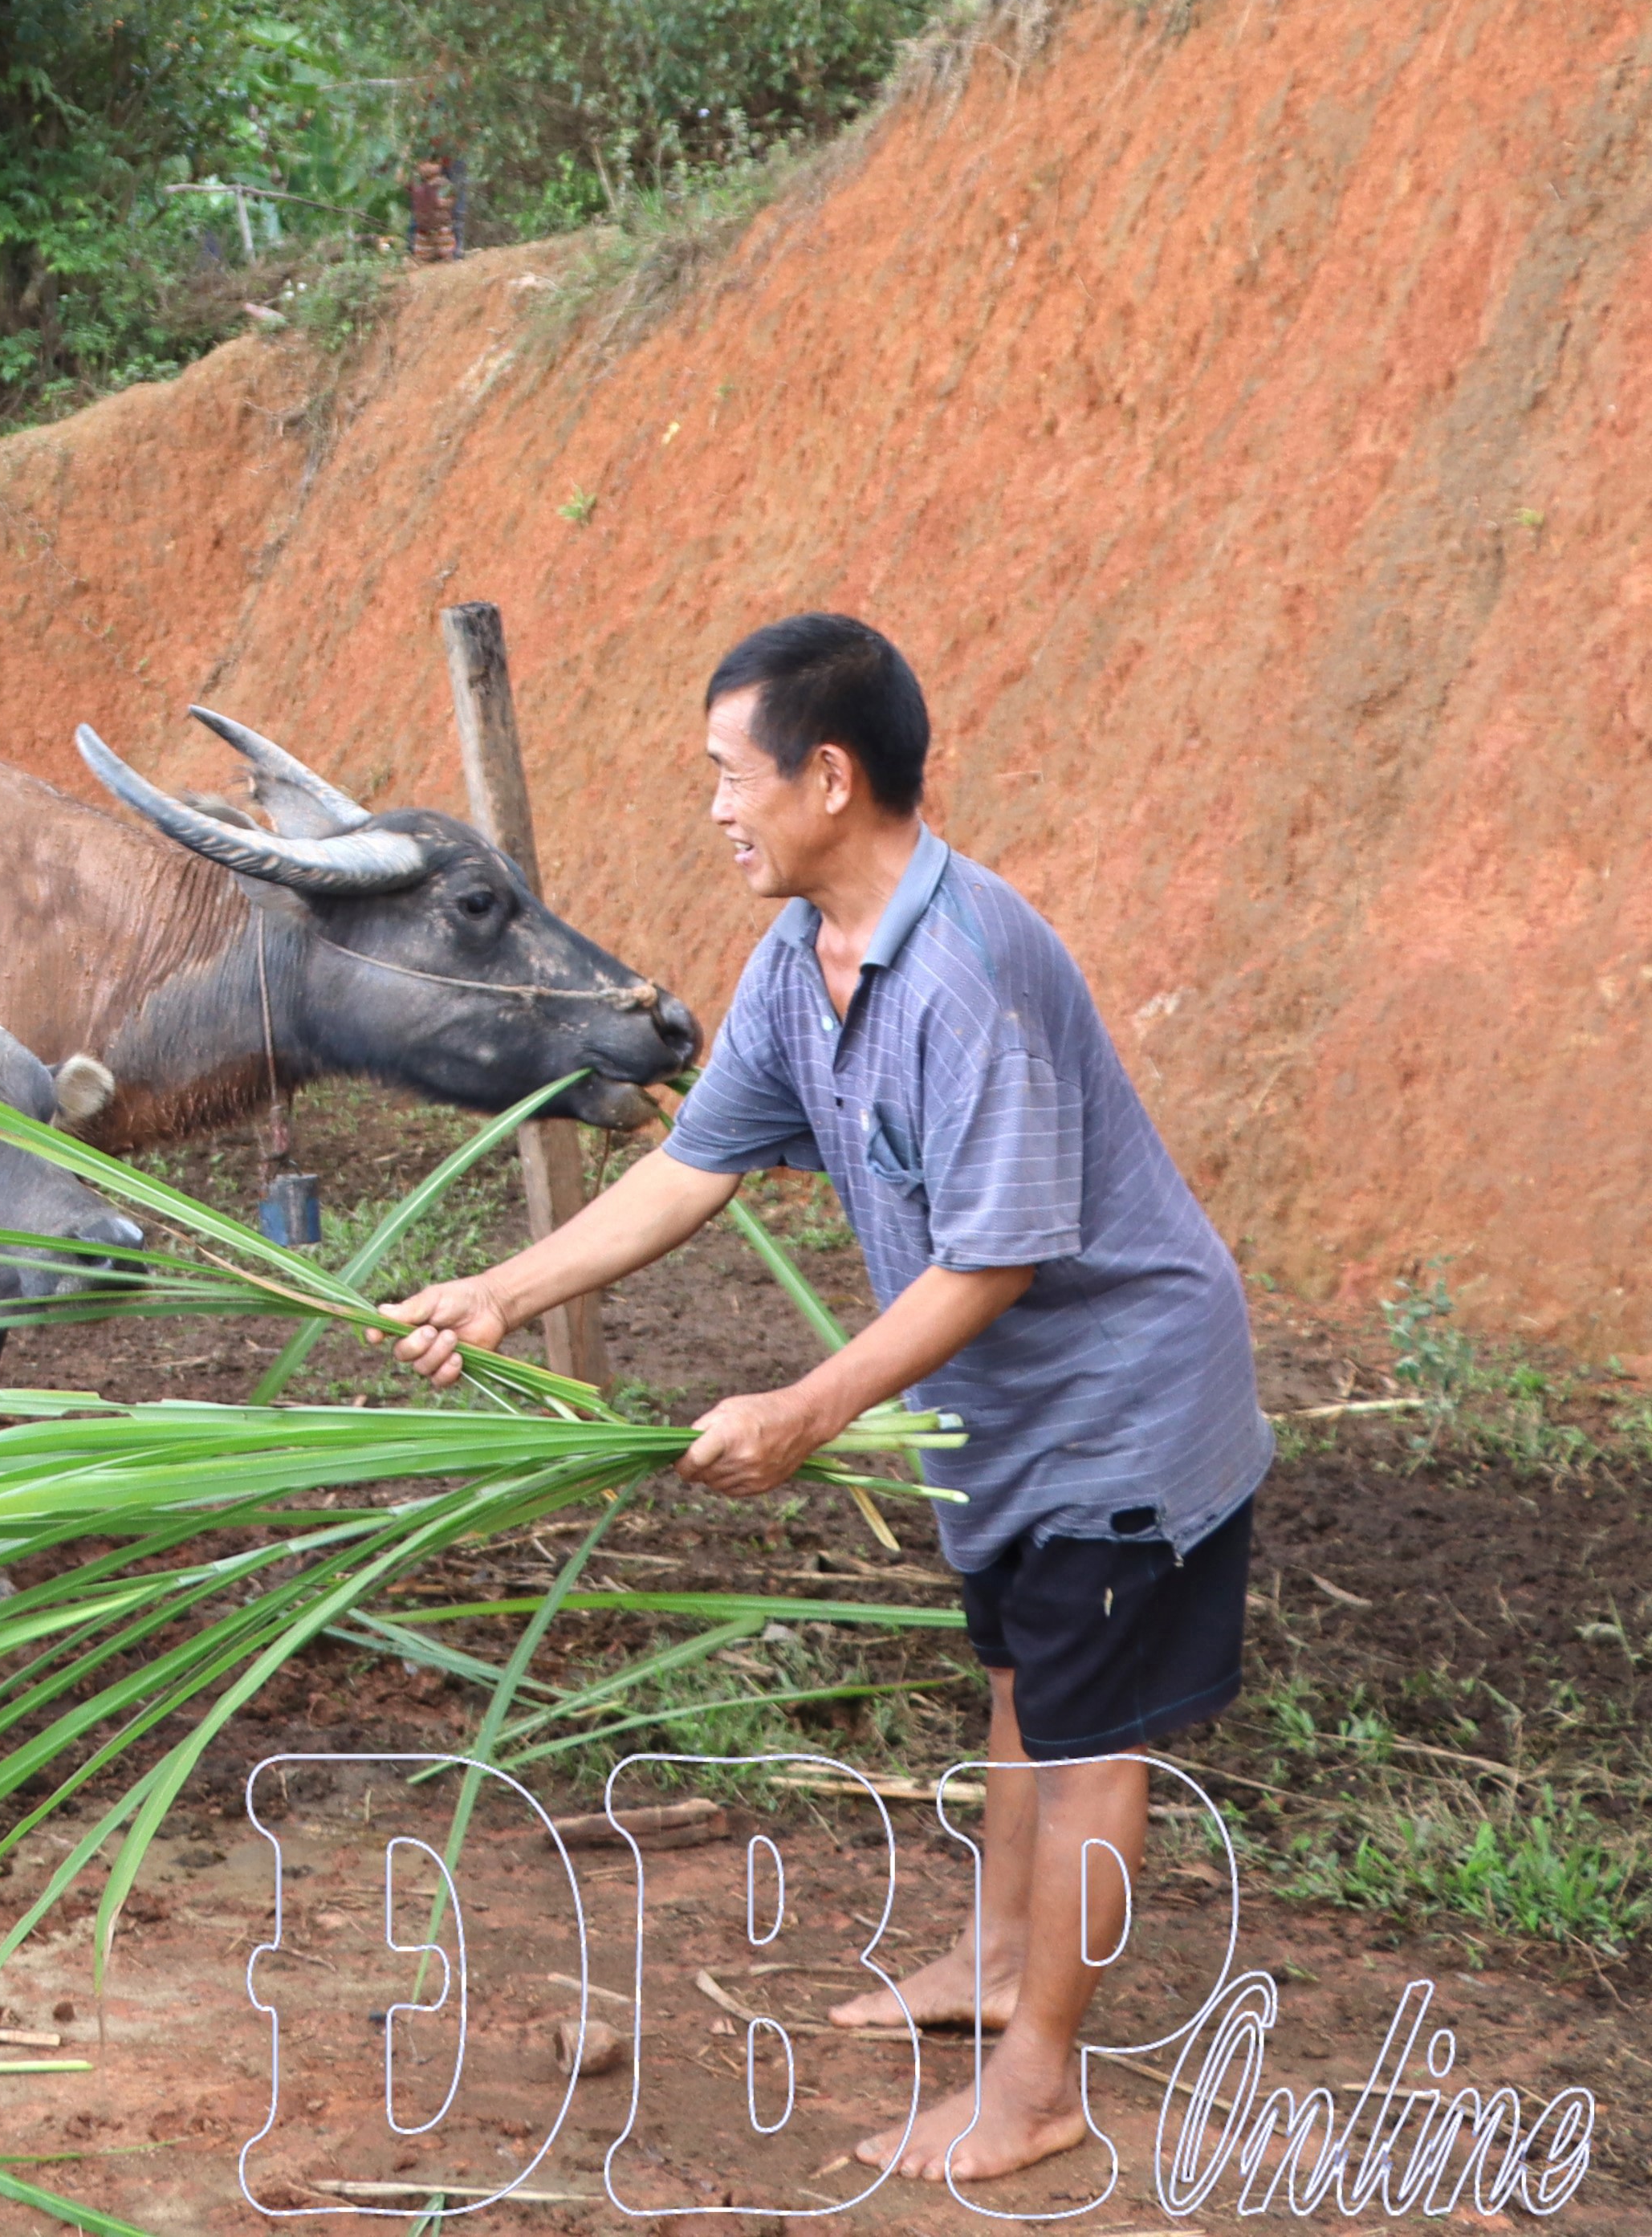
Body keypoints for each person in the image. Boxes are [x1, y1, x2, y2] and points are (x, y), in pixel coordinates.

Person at [382, 614, 1267, 2188]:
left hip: (1120, 1404)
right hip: (999, 1418)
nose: (716, 807)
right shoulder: (802, 959)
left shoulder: (966, 972)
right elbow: (689, 1164)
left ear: (828, 777)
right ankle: (996, 1966)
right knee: (1019, 1691)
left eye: (730, 775)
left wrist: (803, 1408)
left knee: (1090, 1742)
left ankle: (1040, 2086)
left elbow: (990, 1263)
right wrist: (501, 1291)